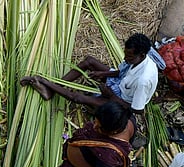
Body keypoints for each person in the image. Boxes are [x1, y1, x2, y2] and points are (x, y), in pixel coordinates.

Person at [21, 33, 161, 114]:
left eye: (129, 57)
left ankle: (45, 82)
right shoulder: (138, 60)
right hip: (120, 84)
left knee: (77, 98)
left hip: (123, 102)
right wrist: (104, 74)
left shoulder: (143, 80)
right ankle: (52, 89)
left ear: (141, 55)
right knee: (89, 61)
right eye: (125, 54)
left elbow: (137, 111)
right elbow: (122, 73)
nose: (125, 58)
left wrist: (110, 96)